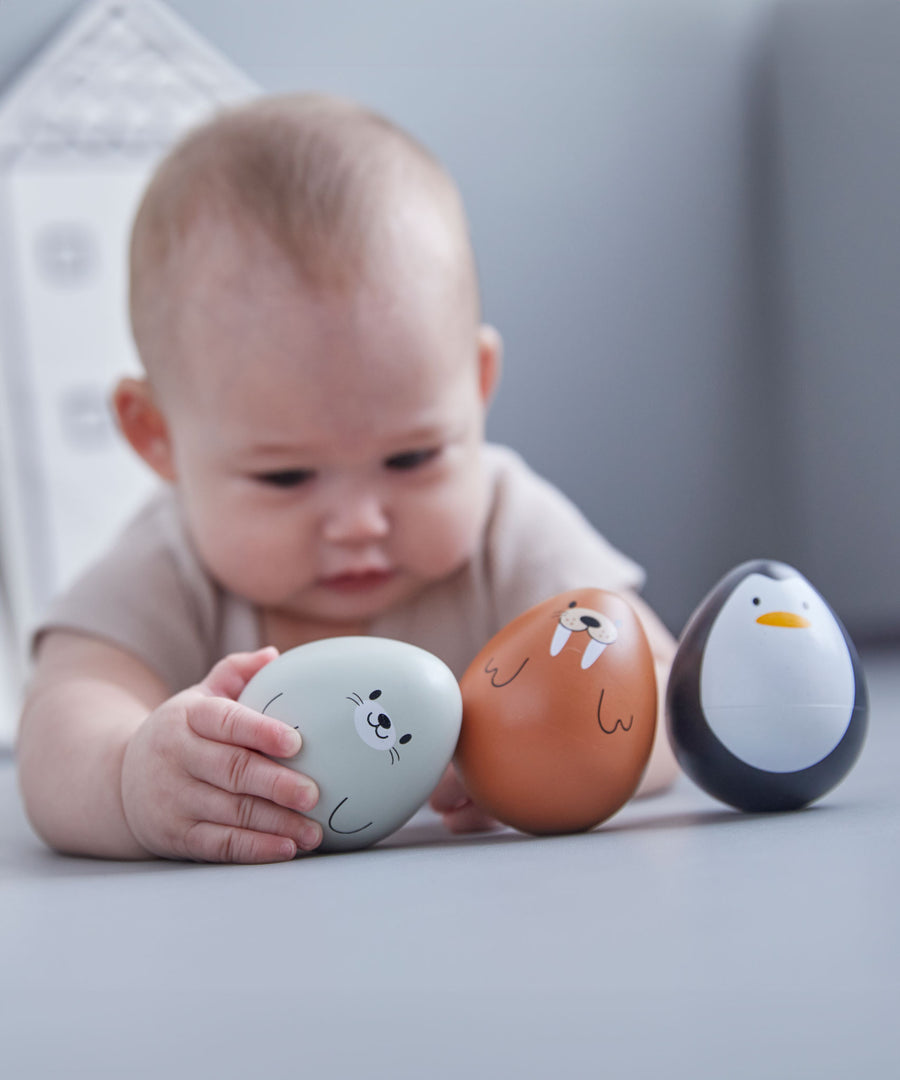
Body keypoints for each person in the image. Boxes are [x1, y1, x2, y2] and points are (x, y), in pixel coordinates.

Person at [17, 93, 678, 863]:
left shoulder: (507, 524)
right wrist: (130, 778)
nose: (360, 521)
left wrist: (550, 754)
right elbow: (58, 724)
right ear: (157, 435)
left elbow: (665, 695)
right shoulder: (167, 565)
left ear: (476, 383)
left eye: (411, 459)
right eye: (287, 475)